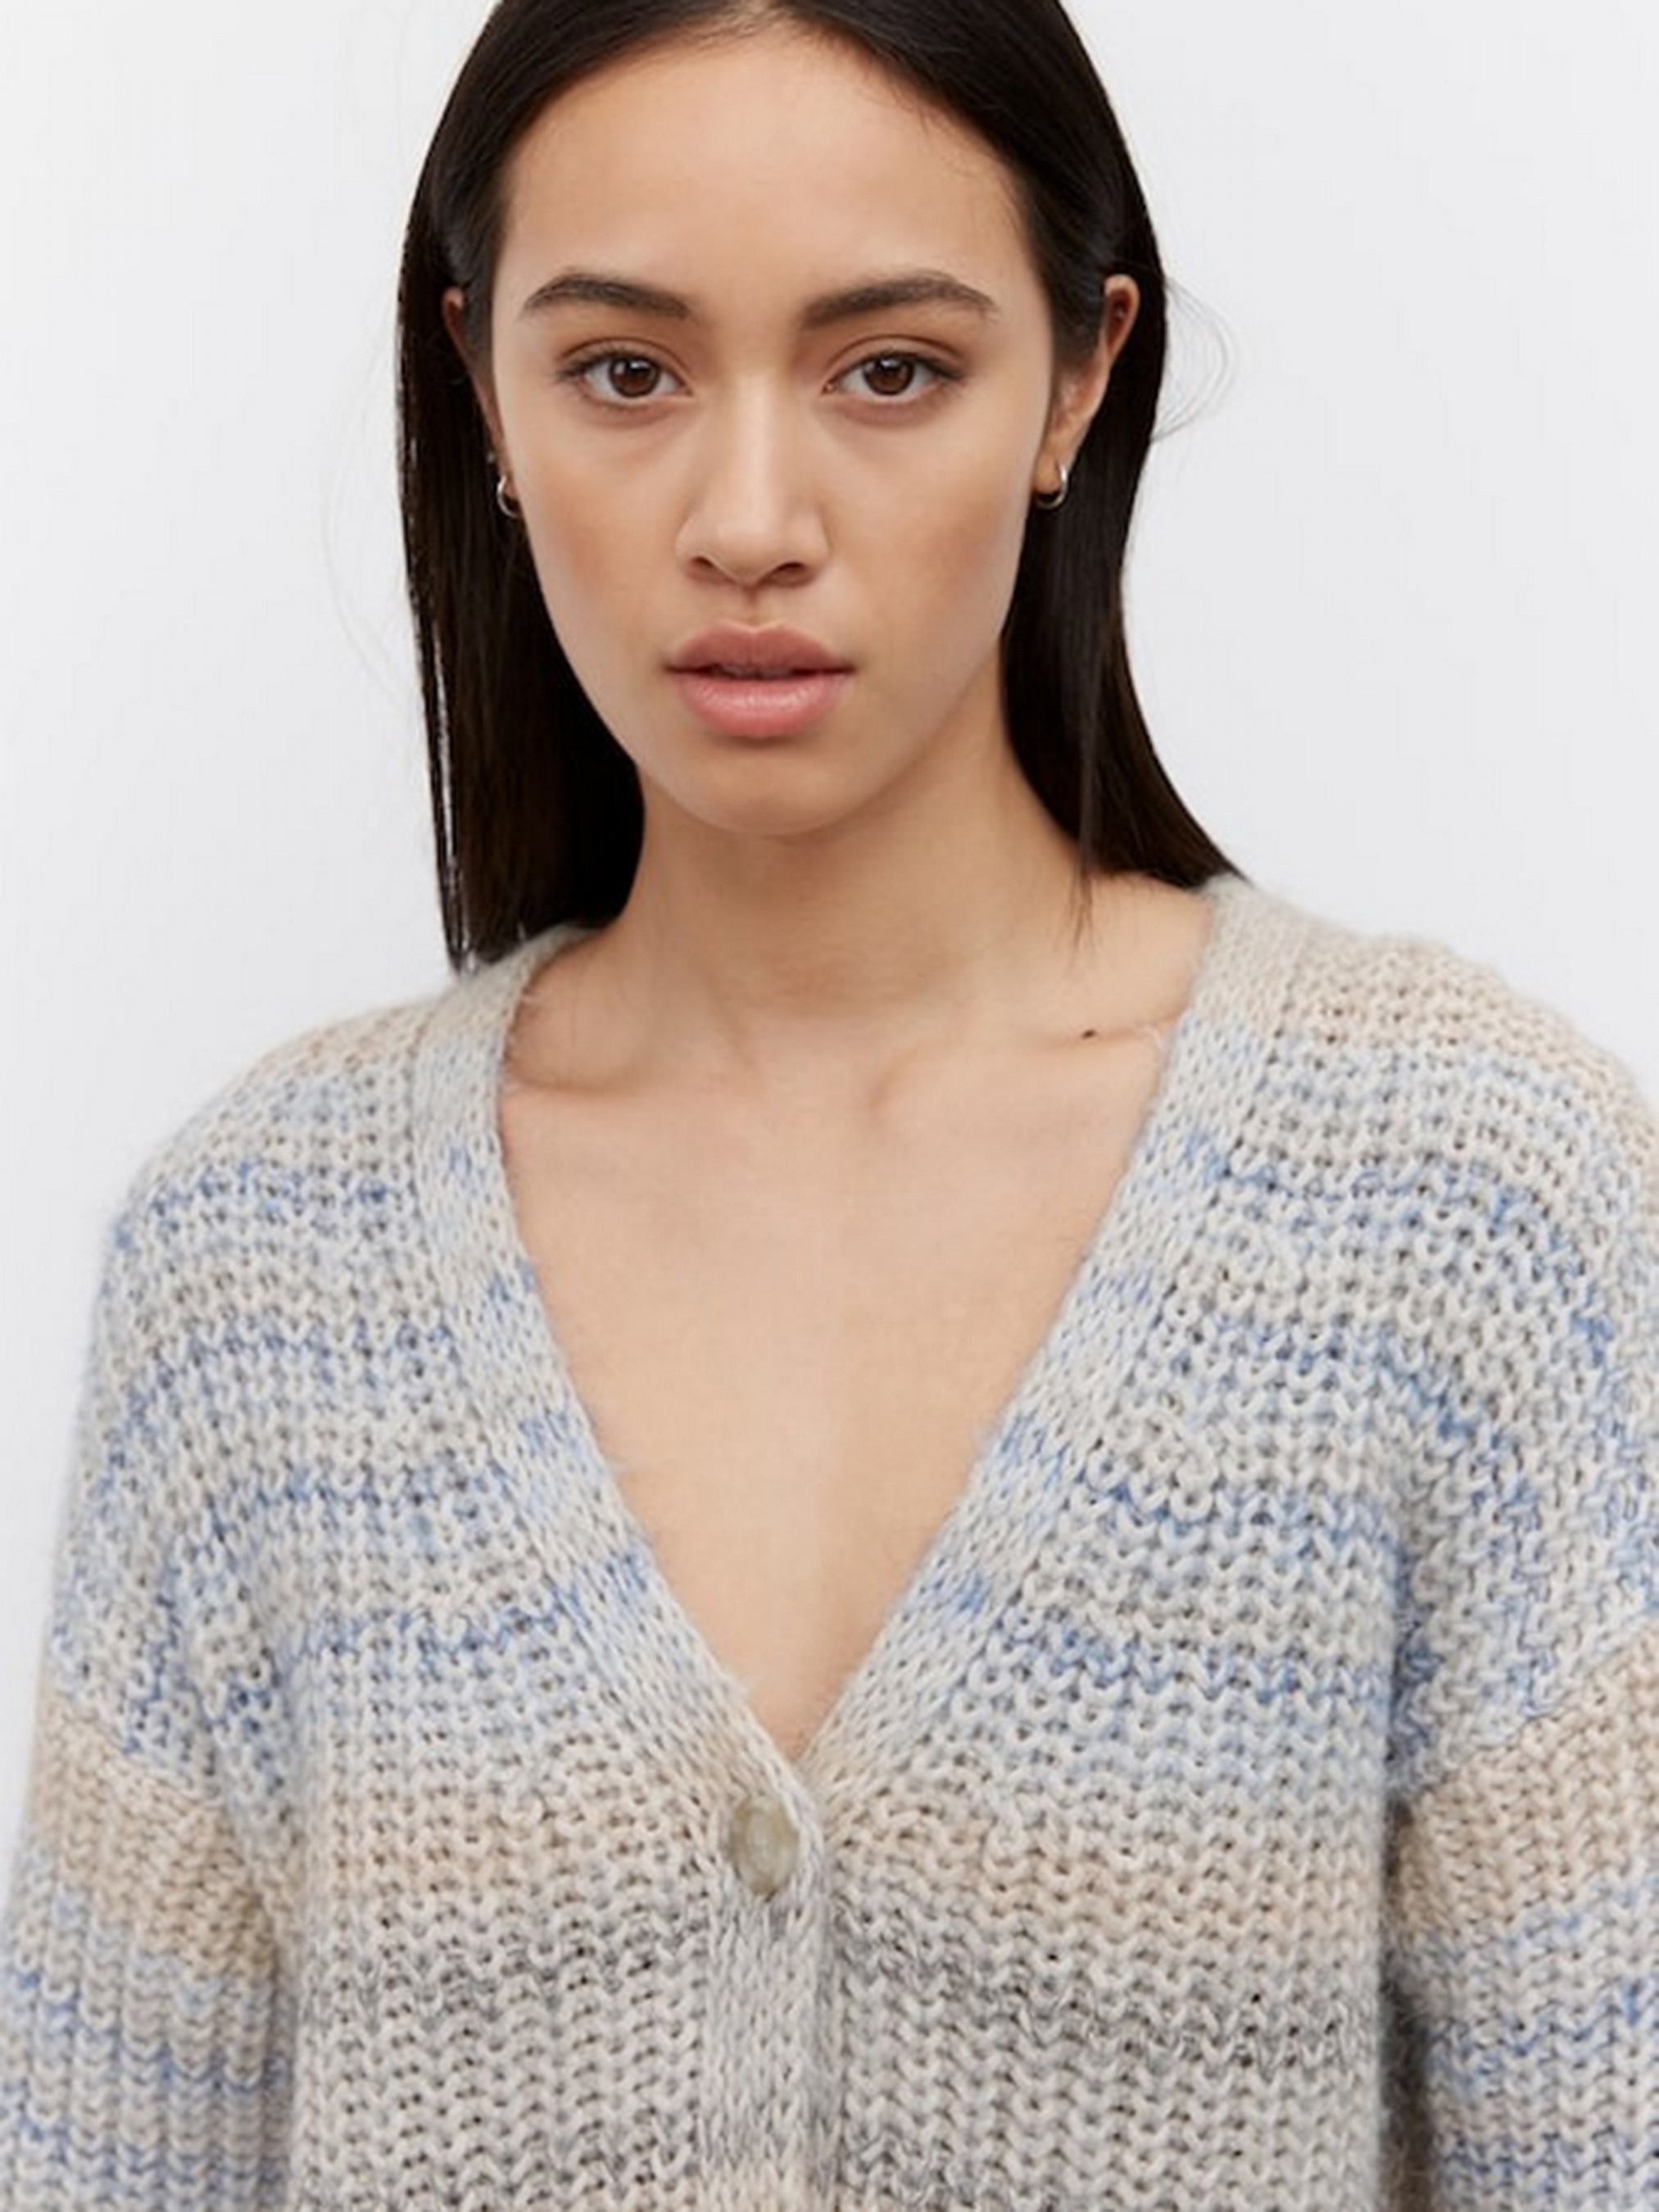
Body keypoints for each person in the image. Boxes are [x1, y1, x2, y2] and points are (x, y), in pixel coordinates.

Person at [0, 0, 1652, 2205]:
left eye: (890, 368)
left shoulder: (1465, 1205)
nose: (749, 521)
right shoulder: (254, 1276)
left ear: (1077, 378)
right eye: (626, 372)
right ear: (483, 391)